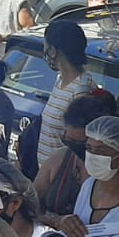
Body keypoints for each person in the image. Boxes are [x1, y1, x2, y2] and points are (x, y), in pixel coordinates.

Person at [34, 91, 117, 219]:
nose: (75, 148)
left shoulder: (115, 170)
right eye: (69, 141)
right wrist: (56, 221)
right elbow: (32, 205)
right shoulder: (60, 158)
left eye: (82, 143)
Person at [34, 19, 95, 172]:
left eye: (46, 48)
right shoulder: (60, 80)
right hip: (46, 172)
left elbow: (78, 139)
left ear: (53, 51)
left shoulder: (82, 88)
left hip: (61, 176)